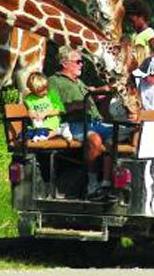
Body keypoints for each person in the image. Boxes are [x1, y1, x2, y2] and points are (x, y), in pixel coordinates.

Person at [47, 46, 116, 199]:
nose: (81, 65)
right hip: (74, 124)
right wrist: (78, 104)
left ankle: (108, 183)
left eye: (81, 62)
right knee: (94, 139)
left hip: (95, 122)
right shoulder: (54, 81)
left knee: (121, 133)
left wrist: (101, 91)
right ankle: (92, 185)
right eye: (78, 61)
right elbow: (53, 107)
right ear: (65, 63)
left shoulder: (79, 82)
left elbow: (91, 97)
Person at [22, 73, 72, 142]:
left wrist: (46, 113)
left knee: (41, 133)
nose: (44, 92)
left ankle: (59, 130)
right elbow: (30, 110)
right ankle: (57, 131)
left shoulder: (51, 94)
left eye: (45, 88)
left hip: (51, 124)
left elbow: (61, 110)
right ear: (33, 90)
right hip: (37, 125)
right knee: (24, 135)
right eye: (40, 91)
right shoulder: (29, 99)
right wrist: (32, 114)